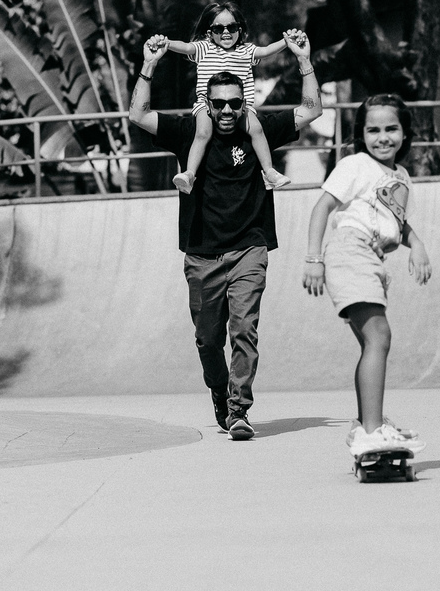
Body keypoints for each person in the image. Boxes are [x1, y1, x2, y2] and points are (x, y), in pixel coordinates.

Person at [128, 27, 322, 440]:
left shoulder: (257, 128)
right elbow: (139, 116)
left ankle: (238, 410)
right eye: (219, 105)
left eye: (235, 103)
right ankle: (219, 388)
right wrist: (149, 65)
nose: (228, 111)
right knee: (207, 339)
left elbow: (310, 111)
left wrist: (304, 60)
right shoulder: (190, 133)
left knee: (244, 330)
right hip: (202, 254)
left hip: (250, 248)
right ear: (208, 104)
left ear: (243, 102)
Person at [302, 94, 431, 457]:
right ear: (361, 134)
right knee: (379, 336)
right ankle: (372, 430)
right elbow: (323, 207)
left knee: (372, 342)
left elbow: (398, 223)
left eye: (391, 129)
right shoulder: (356, 164)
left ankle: (366, 424)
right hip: (350, 250)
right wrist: (313, 258)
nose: (383, 137)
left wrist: (417, 244)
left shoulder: (401, 177)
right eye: (373, 130)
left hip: (372, 259)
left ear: (405, 133)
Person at [146, 2, 294, 195]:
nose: (225, 32)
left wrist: (286, 41)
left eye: (231, 27)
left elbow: (266, 51)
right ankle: (190, 174)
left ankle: (269, 172)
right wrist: (165, 43)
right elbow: (186, 47)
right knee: (203, 132)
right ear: (209, 33)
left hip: (240, 107)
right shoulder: (204, 48)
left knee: (257, 130)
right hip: (207, 106)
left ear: (239, 30)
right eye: (218, 28)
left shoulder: (246, 50)